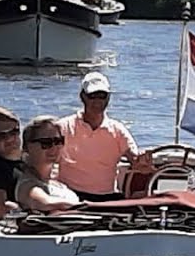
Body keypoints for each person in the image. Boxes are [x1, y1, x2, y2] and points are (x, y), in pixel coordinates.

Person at [55, 72, 152, 201]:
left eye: (102, 96)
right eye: (92, 96)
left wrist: (144, 162)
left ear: (108, 98)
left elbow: (135, 160)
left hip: (106, 198)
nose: (97, 101)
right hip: (69, 196)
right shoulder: (63, 127)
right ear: (82, 97)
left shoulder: (117, 131)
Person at [15, 115, 81, 212]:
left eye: (58, 141)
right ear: (27, 147)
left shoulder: (55, 182)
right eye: (46, 143)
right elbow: (45, 204)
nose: (54, 148)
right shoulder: (28, 184)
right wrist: (88, 206)